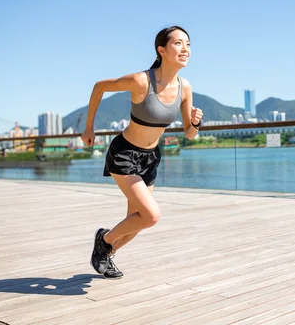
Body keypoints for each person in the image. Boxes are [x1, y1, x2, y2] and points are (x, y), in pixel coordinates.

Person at [81, 26, 203, 279]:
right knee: (151, 215)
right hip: (125, 153)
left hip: (150, 158)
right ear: (162, 50)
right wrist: (89, 127)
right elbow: (99, 87)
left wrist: (195, 123)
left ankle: (105, 253)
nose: (186, 49)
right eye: (179, 44)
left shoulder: (185, 87)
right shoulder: (141, 81)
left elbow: (190, 134)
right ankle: (104, 240)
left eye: (188, 44)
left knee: (135, 222)